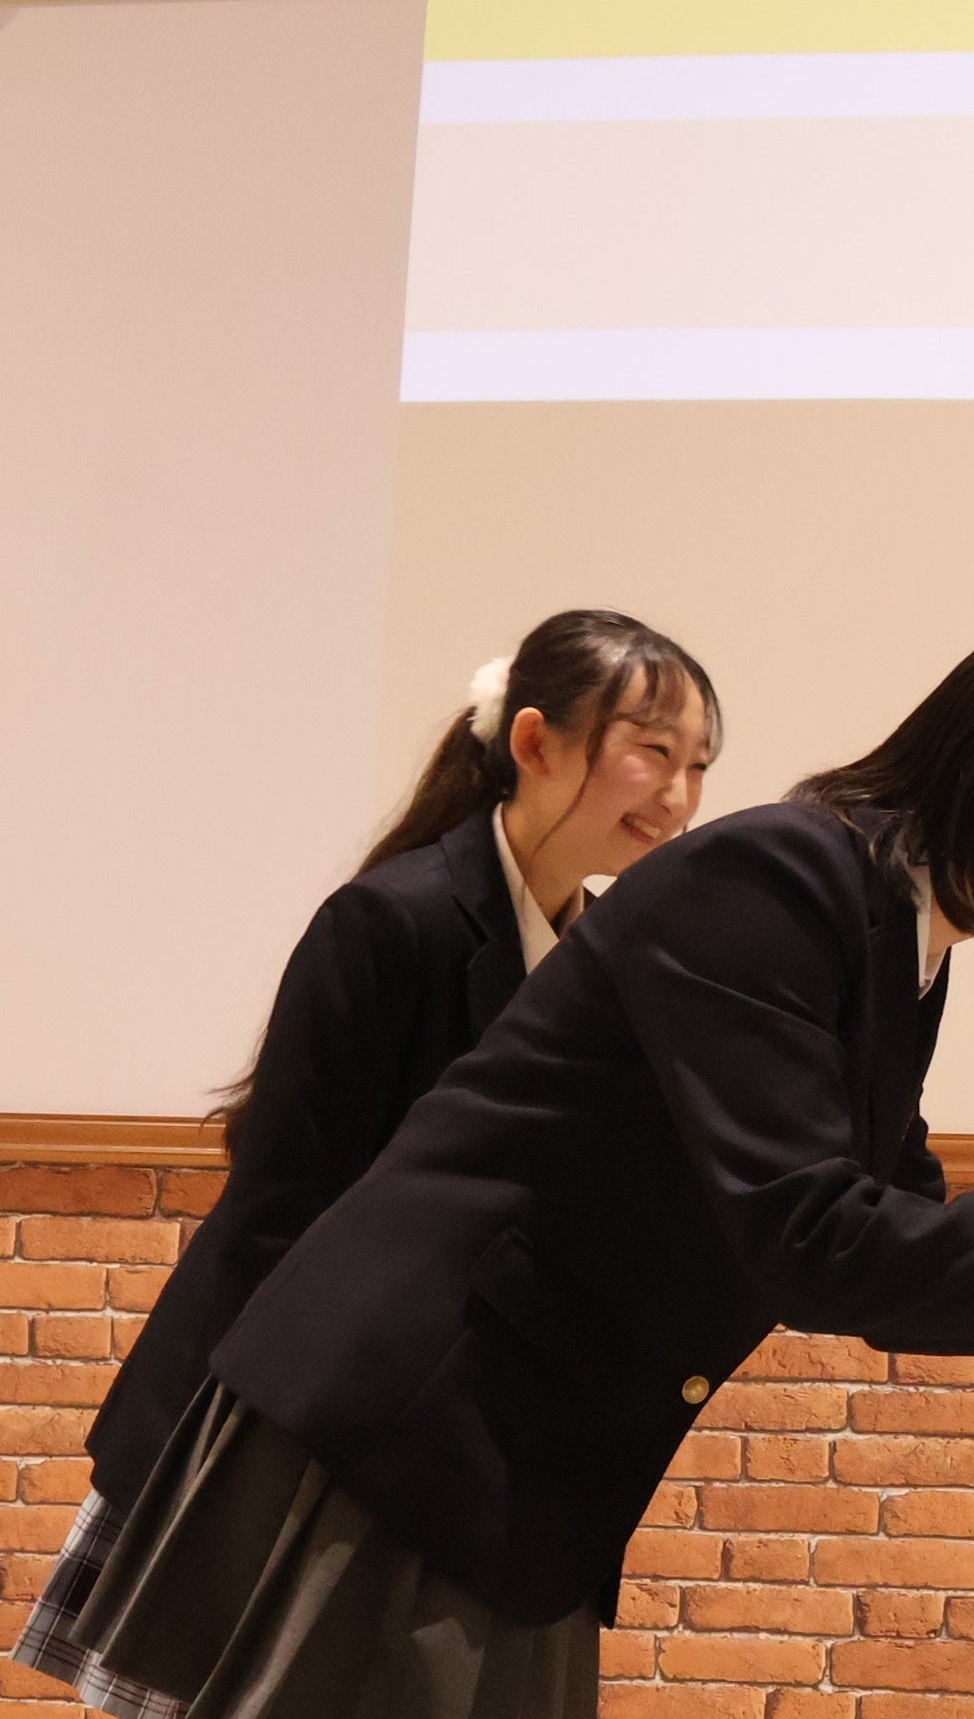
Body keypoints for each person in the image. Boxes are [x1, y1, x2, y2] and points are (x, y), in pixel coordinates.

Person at [58, 606, 974, 1719]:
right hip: (403, 1433)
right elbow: (817, 1237)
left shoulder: (895, 937)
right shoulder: (781, 876)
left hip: (500, 1469)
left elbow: (893, 1246)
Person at [13, 609, 720, 1719]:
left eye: (699, 765)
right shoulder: (392, 920)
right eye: (652, 750)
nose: (677, 795)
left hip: (423, 1434)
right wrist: (247, 1465)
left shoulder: (607, 957)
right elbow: (281, 1211)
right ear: (534, 743)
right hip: (283, 1418)